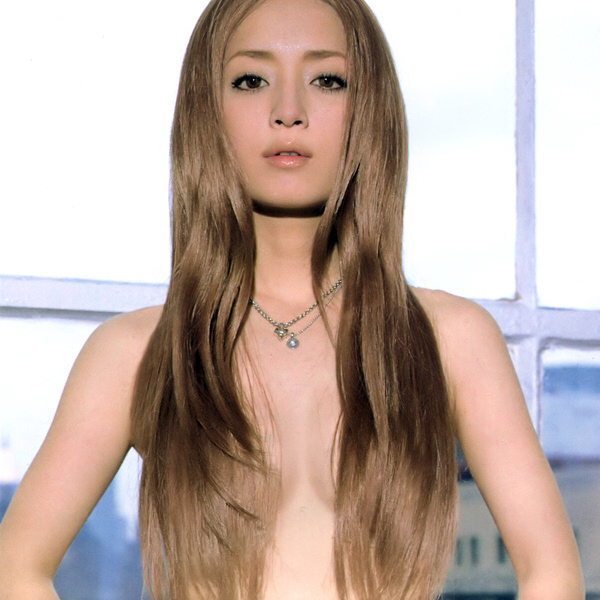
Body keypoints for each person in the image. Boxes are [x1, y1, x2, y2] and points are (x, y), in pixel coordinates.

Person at [0, 0, 585, 598]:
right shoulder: (133, 353)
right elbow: (15, 567)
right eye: (251, 80)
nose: (288, 111)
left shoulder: (452, 339)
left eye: (327, 80)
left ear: (370, 110)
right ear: (206, 109)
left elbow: (554, 574)